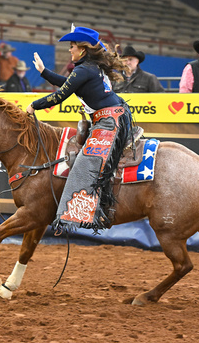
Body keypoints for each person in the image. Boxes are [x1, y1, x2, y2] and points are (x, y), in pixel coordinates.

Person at [26, 25, 132, 234]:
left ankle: (80, 215)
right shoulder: (90, 68)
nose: (69, 50)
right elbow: (69, 84)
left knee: (86, 163)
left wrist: (33, 106)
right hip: (113, 117)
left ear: (82, 50)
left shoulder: (84, 69)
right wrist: (44, 72)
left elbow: (60, 95)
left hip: (109, 122)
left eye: (72, 46)